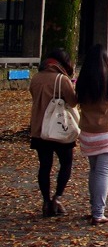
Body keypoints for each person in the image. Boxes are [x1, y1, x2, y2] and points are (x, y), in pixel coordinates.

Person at [76, 44, 108, 226]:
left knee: (94, 171)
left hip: (88, 132)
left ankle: (94, 207)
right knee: (103, 172)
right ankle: (98, 212)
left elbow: (75, 100)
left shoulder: (82, 79)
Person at [29, 48, 78, 217]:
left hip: (39, 129)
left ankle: (45, 201)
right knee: (66, 163)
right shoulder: (62, 79)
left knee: (44, 166)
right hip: (59, 128)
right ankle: (57, 198)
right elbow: (72, 102)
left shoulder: (36, 78)